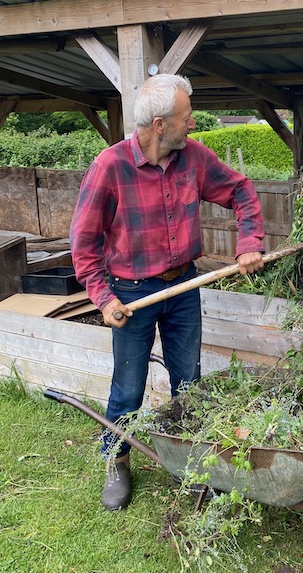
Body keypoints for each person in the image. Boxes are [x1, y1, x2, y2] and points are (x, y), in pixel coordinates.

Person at [70, 74, 265, 510]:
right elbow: (83, 245)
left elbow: (241, 191)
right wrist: (103, 298)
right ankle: (115, 461)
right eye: (186, 117)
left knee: (189, 384)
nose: (192, 124)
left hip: (183, 285)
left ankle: (194, 466)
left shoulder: (192, 158)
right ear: (160, 124)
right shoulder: (109, 167)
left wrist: (249, 243)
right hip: (130, 293)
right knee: (127, 387)